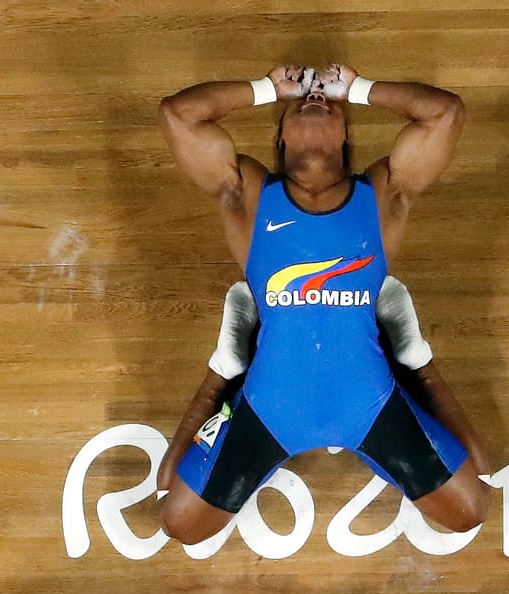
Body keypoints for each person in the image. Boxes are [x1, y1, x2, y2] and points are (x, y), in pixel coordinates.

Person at [156, 64, 490, 546]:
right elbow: (177, 116)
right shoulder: (247, 193)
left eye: (329, 102)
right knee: (178, 520)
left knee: (470, 508)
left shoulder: (381, 194)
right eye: (301, 102)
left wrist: (360, 88)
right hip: (271, 405)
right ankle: (226, 365)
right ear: (281, 137)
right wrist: (265, 88)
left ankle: (414, 358)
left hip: (368, 401)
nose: (316, 98)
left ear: (346, 137)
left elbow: (445, 114)